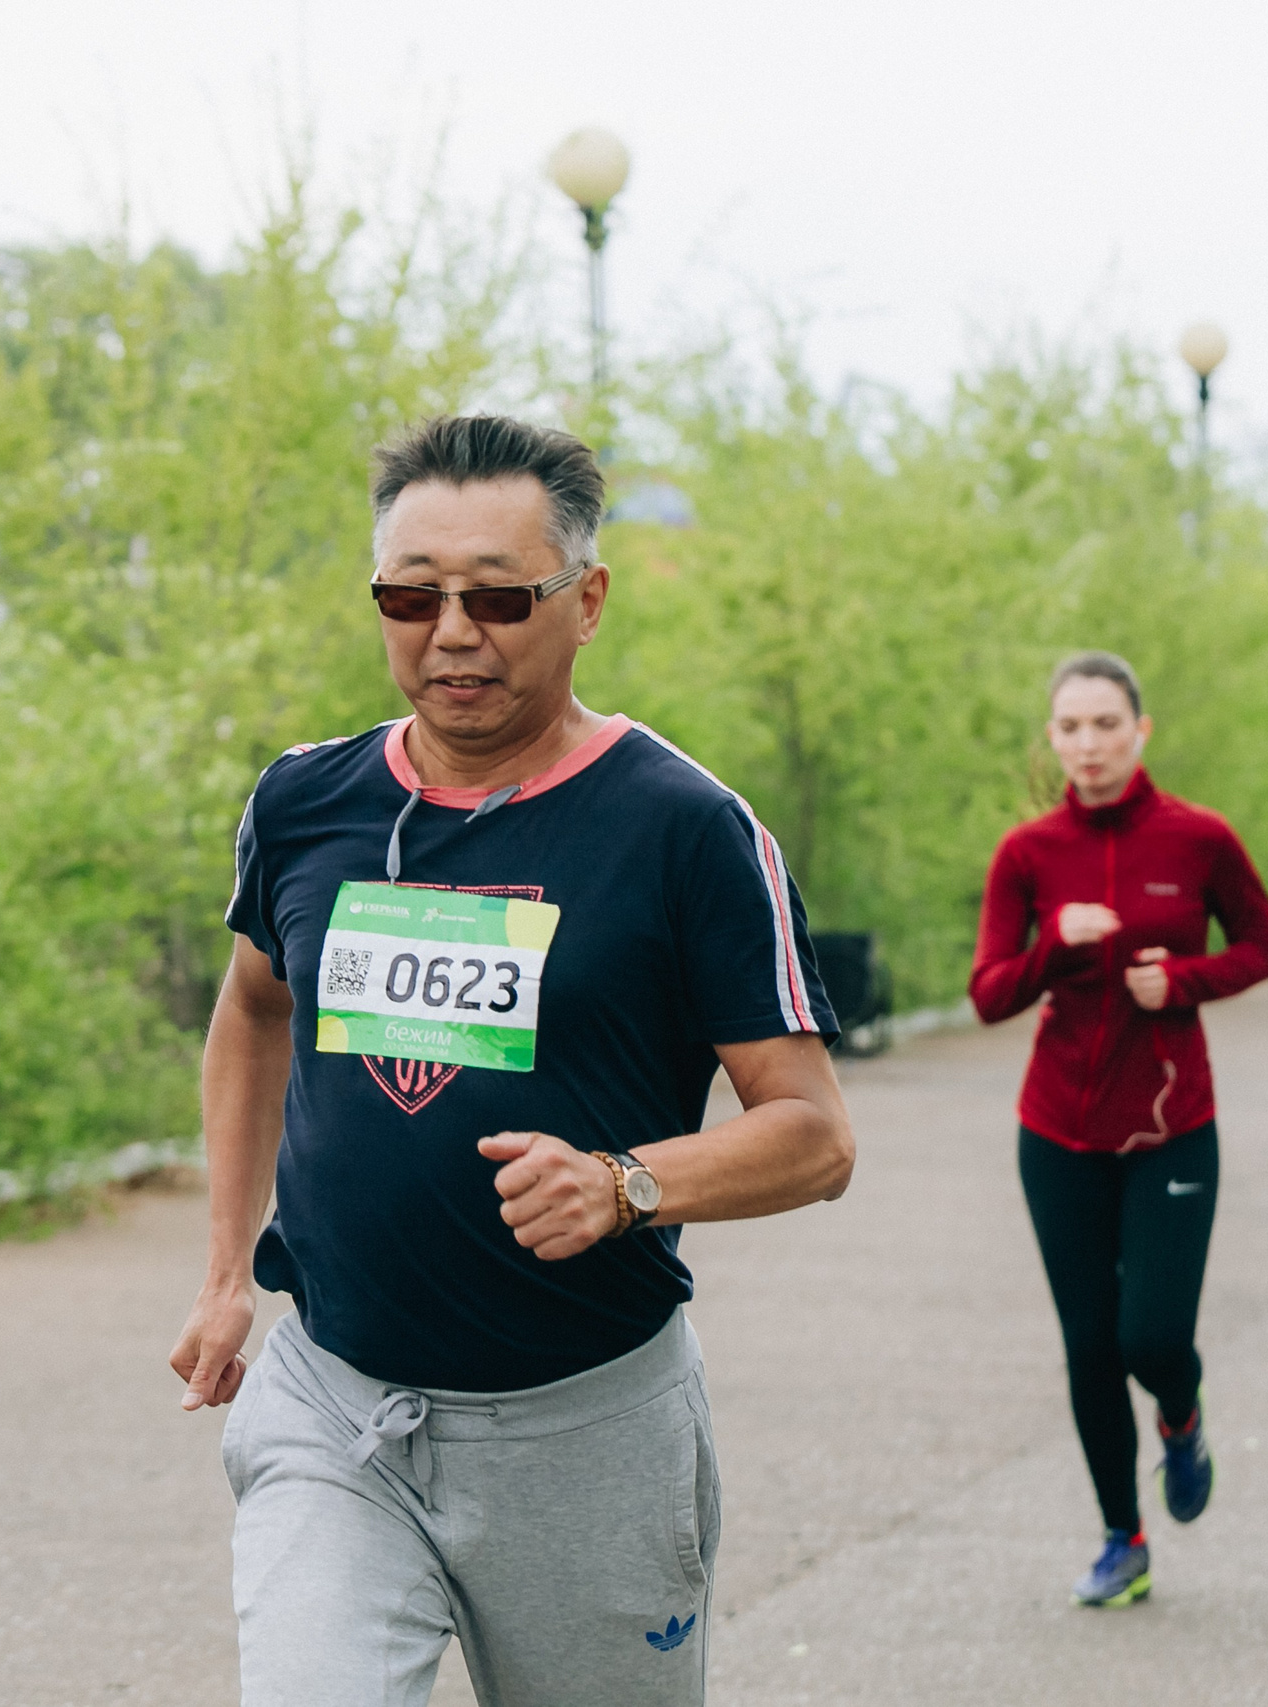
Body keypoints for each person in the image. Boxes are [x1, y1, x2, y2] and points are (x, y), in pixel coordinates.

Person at [168, 415, 856, 1707]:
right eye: (409, 594)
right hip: (336, 1406)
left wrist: (623, 1181)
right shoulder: (308, 803)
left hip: (584, 1431)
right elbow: (255, 1009)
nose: (452, 629)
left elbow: (814, 1131)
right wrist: (223, 1272)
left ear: (585, 600)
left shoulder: (686, 830)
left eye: (497, 593)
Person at [970, 651, 1268, 1608]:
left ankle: (1181, 1419)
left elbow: (1266, 946)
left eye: (1107, 724)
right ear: (1053, 739)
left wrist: (1182, 983)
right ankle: (1124, 1537)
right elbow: (987, 995)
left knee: (1151, 1335)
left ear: (1139, 730)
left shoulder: (1200, 839)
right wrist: (1049, 947)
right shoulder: (1028, 855)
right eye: (1070, 727)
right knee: (1090, 1346)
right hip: (1057, 1133)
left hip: (1171, 1128)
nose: (1089, 744)